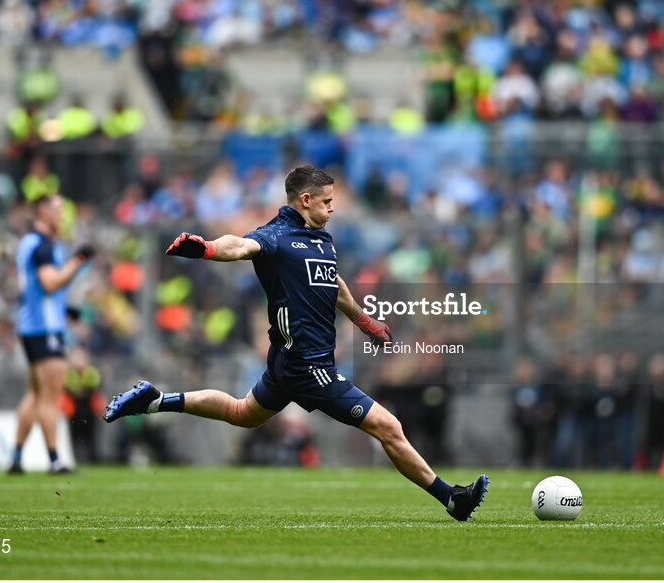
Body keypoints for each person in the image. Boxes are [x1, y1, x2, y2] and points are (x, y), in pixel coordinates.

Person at [104, 166, 489, 521]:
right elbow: (238, 246)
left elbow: (333, 286)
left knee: (242, 413)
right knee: (388, 426)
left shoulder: (322, 240)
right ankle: (452, 499)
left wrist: (365, 320)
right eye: (327, 201)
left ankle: (157, 400)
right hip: (310, 368)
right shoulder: (275, 236)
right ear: (305, 200)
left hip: (288, 364)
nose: (332, 208)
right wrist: (205, 248)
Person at [10, 194, 94, 474]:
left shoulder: (29, 243)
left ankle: (17, 457)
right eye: (58, 210)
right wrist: (78, 260)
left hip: (31, 326)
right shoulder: (43, 245)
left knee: (35, 395)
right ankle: (55, 460)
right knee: (50, 396)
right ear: (43, 212)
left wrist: (64, 310)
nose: (62, 215)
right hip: (45, 329)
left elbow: (36, 290)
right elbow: (49, 283)